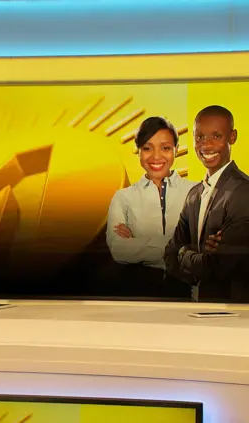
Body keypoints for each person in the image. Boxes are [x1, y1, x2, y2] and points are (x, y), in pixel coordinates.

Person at [165, 105, 249, 302]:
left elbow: (219, 267)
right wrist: (197, 256)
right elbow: (170, 256)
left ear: (232, 137)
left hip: (234, 314)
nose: (206, 145)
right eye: (200, 137)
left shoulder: (243, 192)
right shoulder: (194, 195)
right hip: (195, 311)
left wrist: (185, 253)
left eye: (216, 136)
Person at [106, 117, 196, 298]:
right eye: (147, 148)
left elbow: (205, 247)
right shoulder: (123, 197)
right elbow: (119, 250)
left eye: (165, 148)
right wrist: (179, 247)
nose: (156, 156)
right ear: (138, 151)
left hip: (189, 292)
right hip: (138, 292)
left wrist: (138, 241)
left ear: (176, 150)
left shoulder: (196, 191)